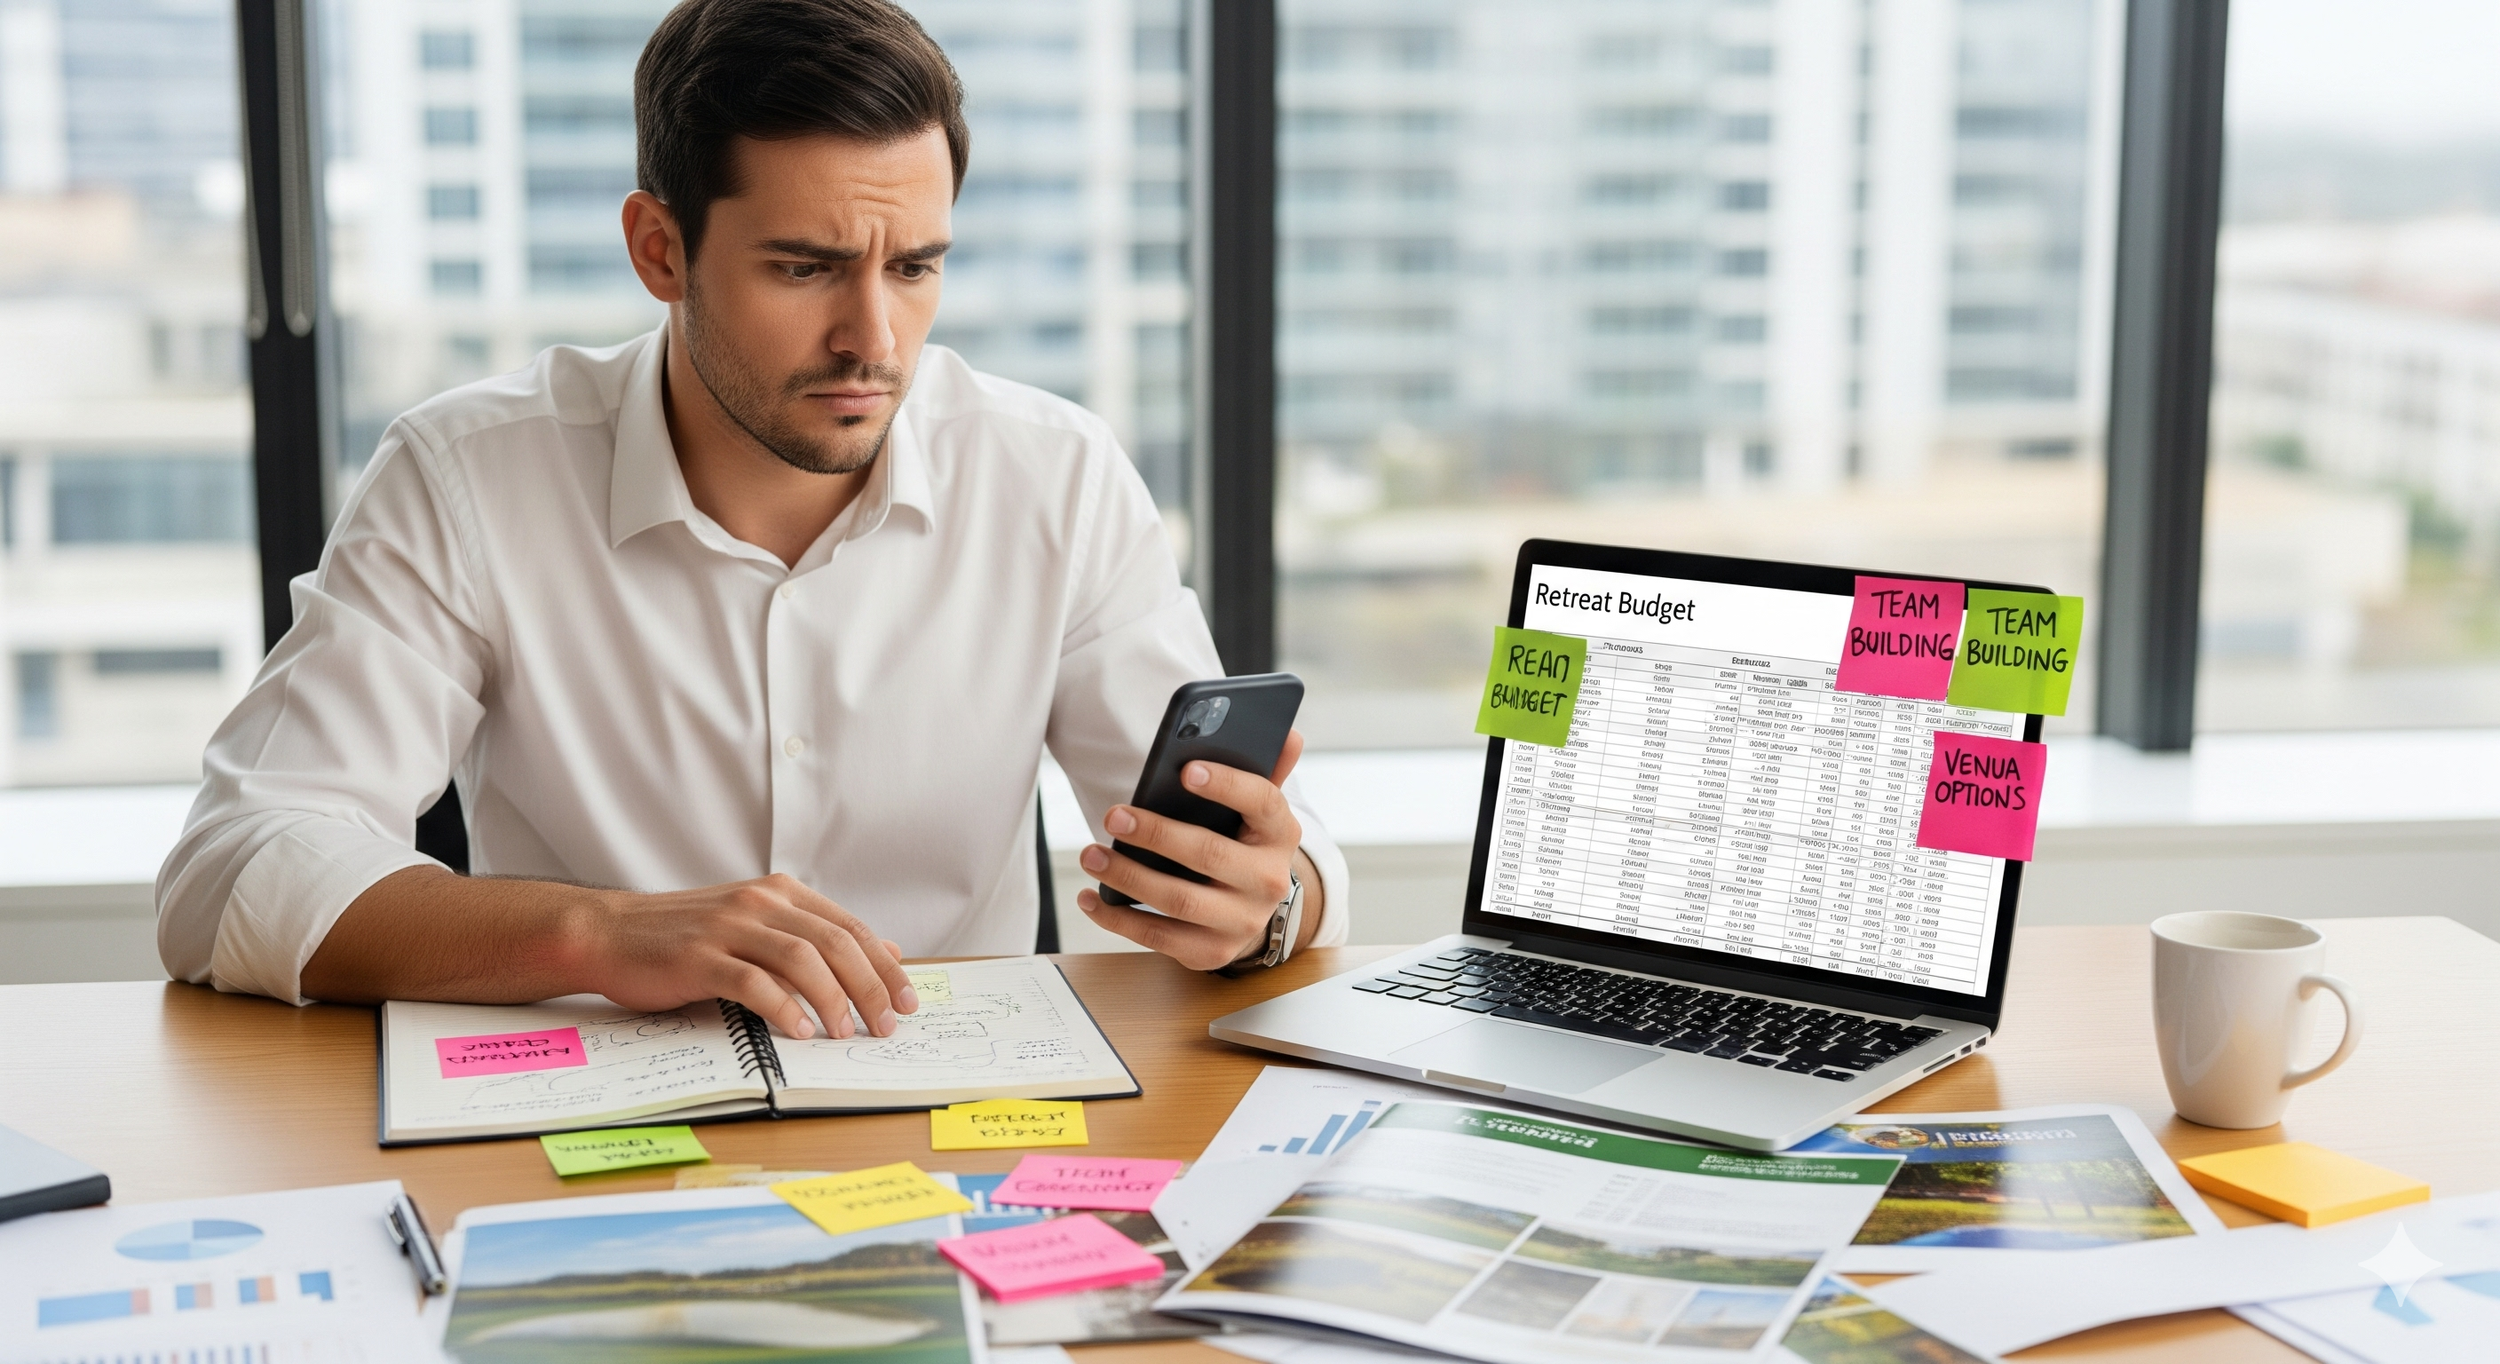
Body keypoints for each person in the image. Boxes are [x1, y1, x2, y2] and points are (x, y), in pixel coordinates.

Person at [153, 0, 1347, 1040]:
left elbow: (1257, 857)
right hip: (601, 1128)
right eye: (804, 268)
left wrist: (1265, 898)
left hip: (963, 1131)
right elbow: (233, 867)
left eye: (916, 267)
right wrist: (600, 935)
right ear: (659, 249)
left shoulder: (1055, 474)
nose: (873, 341)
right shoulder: (468, 475)